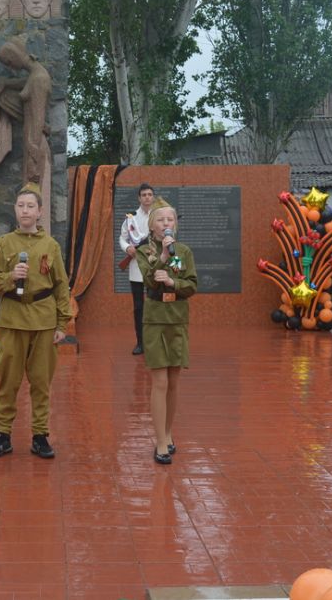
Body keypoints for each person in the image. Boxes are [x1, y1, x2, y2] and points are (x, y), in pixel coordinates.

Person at [0, 182, 70, 460]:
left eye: (30, 206)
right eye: (21, 206)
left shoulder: (51, 246)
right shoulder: (4, 244)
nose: (25, 210)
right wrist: (10, 276)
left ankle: (40, 435)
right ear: (15, 210)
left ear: (40, 211)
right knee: (8, 380)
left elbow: (61, 286)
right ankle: (2, 435)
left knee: (41, 382)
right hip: (12, 319)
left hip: (43, 321)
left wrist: (61, 324)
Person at [135, 197, 198, 465]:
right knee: (159, 381)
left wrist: (174, 280)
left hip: (177, 317)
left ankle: (169, 433)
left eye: (170, 219)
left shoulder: (183, 251)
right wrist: (161, 258)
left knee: (173, 382)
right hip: (155, 319)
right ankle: (160, 441)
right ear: (152, 225)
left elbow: (191, 285)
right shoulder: (144, 251)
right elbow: (149, 279)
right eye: (161, 220)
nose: (166, 224)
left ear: (176, 225)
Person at [119, 183, 154, 354]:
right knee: (139, 306)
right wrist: (127, 248)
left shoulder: (158, 215)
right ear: (139, 198)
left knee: (155, 304)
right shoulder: (130, 217)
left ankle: (154, 341)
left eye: (150, 194)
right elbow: (122, 238)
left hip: (155, 266)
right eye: (144, 195)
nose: (147, 197)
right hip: (136, 267)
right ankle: (140, 342)